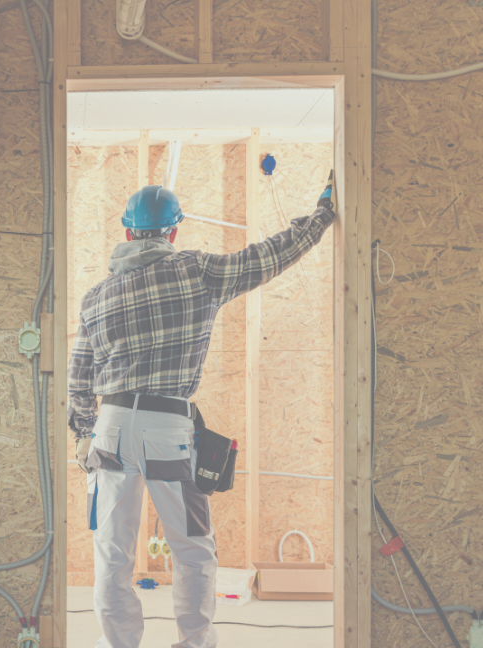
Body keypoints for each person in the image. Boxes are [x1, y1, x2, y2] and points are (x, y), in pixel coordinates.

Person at [67, 182, 335, 648]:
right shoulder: (198, 271)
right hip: (168, 430)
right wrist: (322, 213)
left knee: (112, 554)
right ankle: (194, 644)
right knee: (192, 549)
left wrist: (83, 434)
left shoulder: (96, 296)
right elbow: (269, 256)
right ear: (172, 233)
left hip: (109, 434)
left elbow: (78, 381)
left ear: (128, 235)